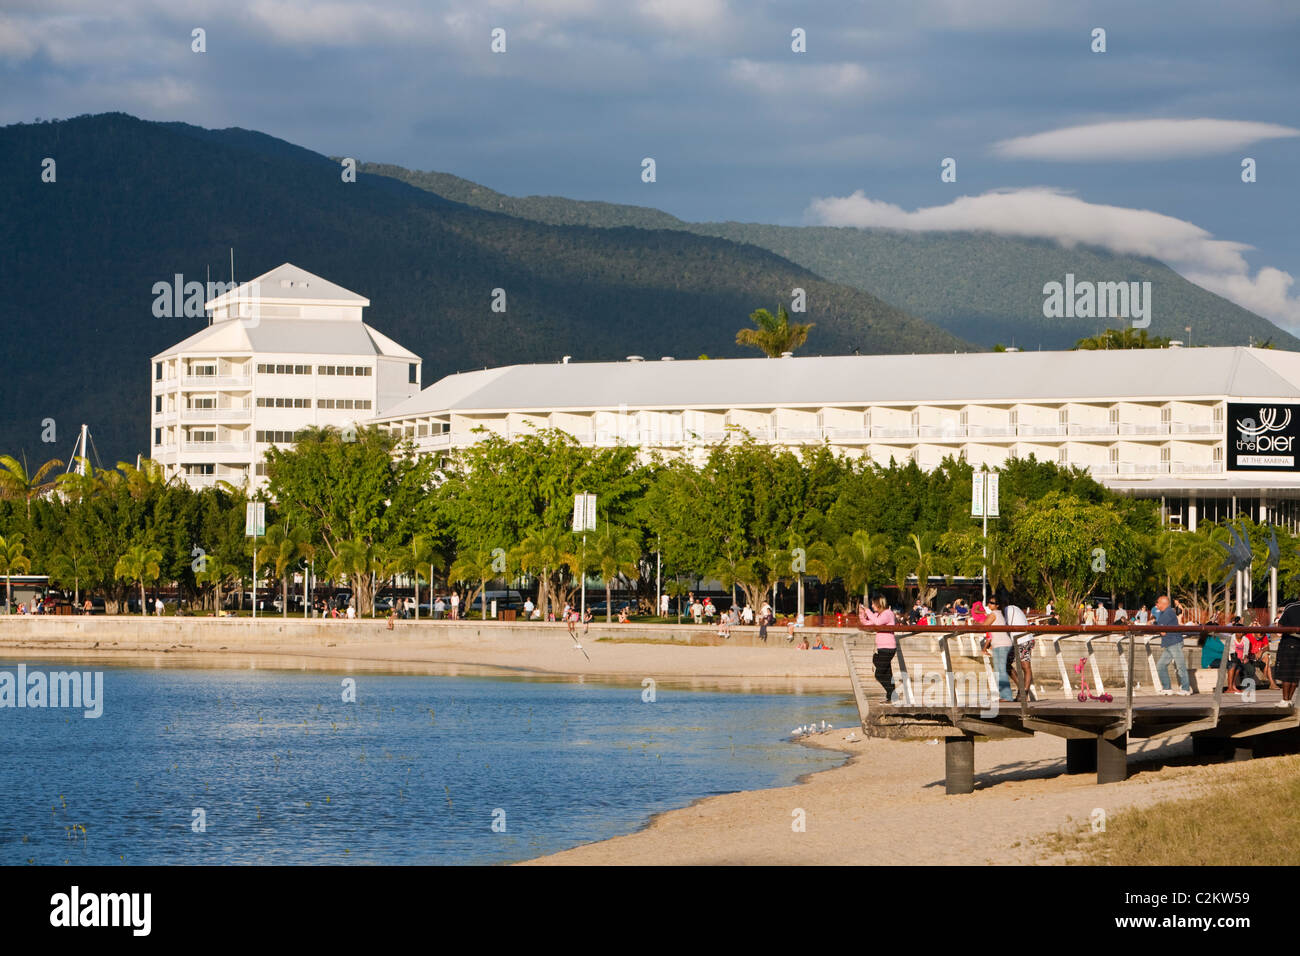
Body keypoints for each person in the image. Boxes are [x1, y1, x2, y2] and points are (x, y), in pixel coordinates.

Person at [859, 595, 897, 702]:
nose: (871, 606)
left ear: (879, 604)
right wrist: (862, 613)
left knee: (879, 674)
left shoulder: (888, 613)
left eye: (873, 604)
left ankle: (892, 693)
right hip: (882, 648)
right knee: (887, 673)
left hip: (888, 648)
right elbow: (867, 623)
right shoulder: (878, 614)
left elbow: (878, 622)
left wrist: (868, 611)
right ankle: (892, 697)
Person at [1152, 594, 1191, 695]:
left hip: (1174, 642)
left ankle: (1186, 689)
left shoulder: (1168, 613)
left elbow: (1160, 628)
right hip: (1169, 643)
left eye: (1158, 603)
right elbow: (1160, 627)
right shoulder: (1165, 613)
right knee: (1161, 666)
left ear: (1164, 604)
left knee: (1180, 666)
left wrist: (1158, 627)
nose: (1157, 605)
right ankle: (1167, 688)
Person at [984, 597, 1014, 702]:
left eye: (993, 603)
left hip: (1001, 645)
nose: (990, 604)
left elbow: (983, 626)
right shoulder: (999, 614)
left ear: (997, 605)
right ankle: (1006, 695)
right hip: (1002, 644)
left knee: (1000, 671)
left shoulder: (994, 614)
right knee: (1001, 670)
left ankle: (1006, 696)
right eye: (989, 602)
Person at [1004, 599, 1033, 701]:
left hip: (1023, 639)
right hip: (1014, 641)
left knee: (1025, 666)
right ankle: (1022, 690)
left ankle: (1024, 693)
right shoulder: (1007, 610)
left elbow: (1006, 627)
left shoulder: (1009, 610)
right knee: (1005, 664)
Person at [1276, 599, 1300, 707]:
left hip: (1289, 641)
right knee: (1296, 673)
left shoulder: (1291, 606)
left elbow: (1280, 626)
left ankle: (1285, 700)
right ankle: (1289, 700)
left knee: (1287, 672)